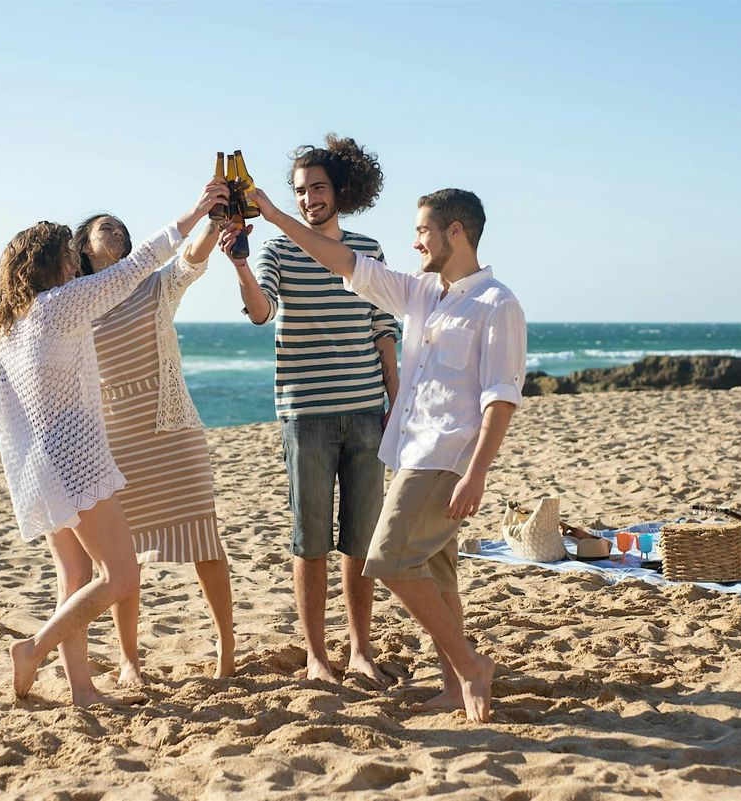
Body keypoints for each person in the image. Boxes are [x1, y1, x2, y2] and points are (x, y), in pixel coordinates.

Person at [229, 185, 526, 722]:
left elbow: (500, 397)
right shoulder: (421, 292)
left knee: (385, 558)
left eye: (422, 231)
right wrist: (272, 214)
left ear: (454, 232)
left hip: (448, 455)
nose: (415, 242)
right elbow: (343, 260)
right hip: (411, 450)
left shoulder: (497, 304)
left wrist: (477, 473)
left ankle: (469, 666)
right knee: (437, 575)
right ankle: (456, 686)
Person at [0, 179, 228, 706]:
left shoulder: (2, 328)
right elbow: (141, 265)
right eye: (68, 258)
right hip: (77, 458)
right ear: (49, 264)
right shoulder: (58, 306)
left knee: (76, 576)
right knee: (121, 574)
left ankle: (83, 691)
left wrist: (34, 411)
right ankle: (34, 649)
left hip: (32, 471)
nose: (74, 266)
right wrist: (196, 211)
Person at [223, 135, 399, 684]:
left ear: (338, 190)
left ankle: (361, 651)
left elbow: (383, 330)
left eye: (317, 188)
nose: (308, 199)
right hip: (307, 414)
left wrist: (396, 402)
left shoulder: (368, 248)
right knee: (311, 540)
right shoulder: (276, 251)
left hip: (369, 411)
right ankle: (317, 657)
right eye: (299, 191)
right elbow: (260, 311)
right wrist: (241, 265)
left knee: (361, 541)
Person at [67, 211, 235, 682]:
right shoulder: (77, 301)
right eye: (106, 228)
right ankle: (129, 660)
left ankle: (226, 648)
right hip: (115, 438)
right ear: (83, 245)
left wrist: (216, 224)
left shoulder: (152, 286)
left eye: (122, 228)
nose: (117, 233)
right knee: (123, 553)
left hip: (172, 430)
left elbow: (189, 260)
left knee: (205, 538)